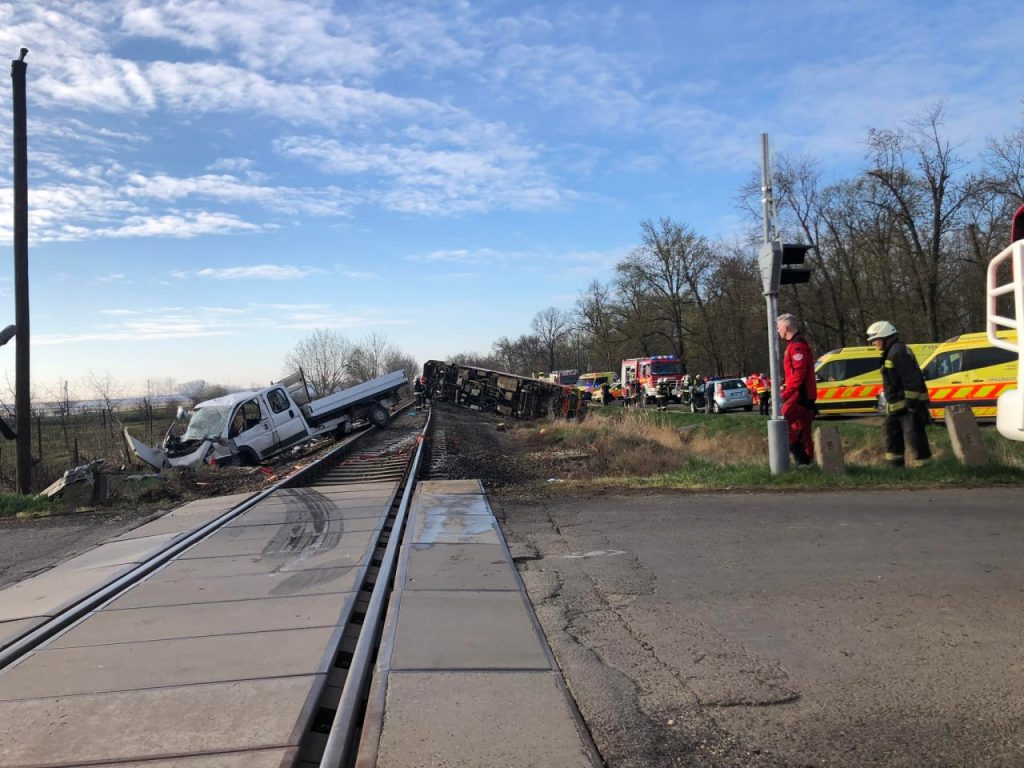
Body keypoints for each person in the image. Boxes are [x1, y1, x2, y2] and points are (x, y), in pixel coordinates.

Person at [867, 320, 931, 468]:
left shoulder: (898, 352)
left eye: (875, 340)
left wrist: (910, 404)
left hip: (909, 406)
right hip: (896, 407)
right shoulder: (892, 352)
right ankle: (895, 468)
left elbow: (912, 380)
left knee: (915, 438)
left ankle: (924, 468)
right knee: (892, 436)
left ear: (885, 337)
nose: (873, 343)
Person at [776, 313, 817, 466]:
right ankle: (808, 461)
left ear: (786, 327)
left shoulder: (796, 346)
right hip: (805, 394)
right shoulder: (798, 344)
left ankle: (802, 459)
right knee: (803, 429)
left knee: (781, 422)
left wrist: (785, 394)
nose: (777, 331)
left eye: (778, 327)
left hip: (800, 395)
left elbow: (799, 374)